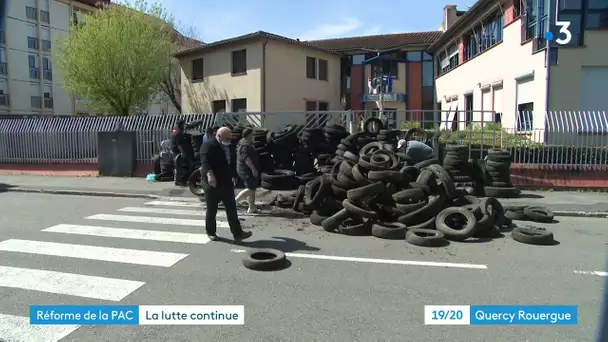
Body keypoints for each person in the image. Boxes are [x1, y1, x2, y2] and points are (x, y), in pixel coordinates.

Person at [199, 126, 252, 242]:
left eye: (230, 138)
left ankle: (238, 234)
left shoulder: (230, 146)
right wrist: (209, 174)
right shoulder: (209, 145)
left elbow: (231, 162)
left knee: (232, 208)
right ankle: (211, 232)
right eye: (226, 138)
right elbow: (204, 161)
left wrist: (233, 175)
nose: (229, 140)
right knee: (212, 208)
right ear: (218, 136)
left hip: (226, 181)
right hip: (211, 182)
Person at [235, 128, 260, 214]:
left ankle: (252, 207)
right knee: (250, 189)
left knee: (252, 189)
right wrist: (253, 169)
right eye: (252, 134)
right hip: (246, 170)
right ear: (249, 135)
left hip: (247, 170)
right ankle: (234, 202)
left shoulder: (245, 143)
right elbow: (246, 159)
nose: (253, 136)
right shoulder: (245, 145)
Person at [170, 120, 194, 186]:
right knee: (180, 166)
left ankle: (177, 181)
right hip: (177, 151)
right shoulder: (178, 132)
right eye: (183, 124)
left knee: (177, 166)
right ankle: (180, 181)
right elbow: (179, 144)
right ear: (181, 125)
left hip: (174, 150)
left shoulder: (174, 129)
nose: (184, 126)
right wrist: (182, 152)